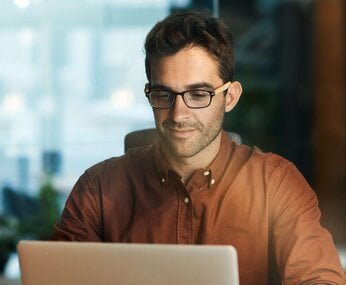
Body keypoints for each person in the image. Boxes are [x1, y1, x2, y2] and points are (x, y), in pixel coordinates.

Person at [49, 10, 345, 285]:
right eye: (164, 94)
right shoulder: (98, 189)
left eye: (199, 93)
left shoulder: (275, 184)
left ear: (230, 97)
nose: (179, 115)